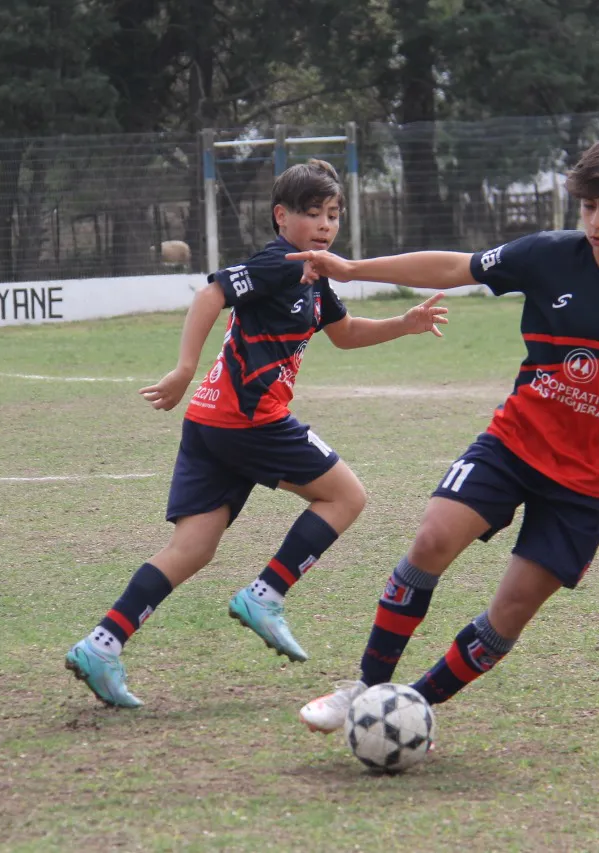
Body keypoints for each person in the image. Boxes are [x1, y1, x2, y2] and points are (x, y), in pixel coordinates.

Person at [289, 135, 599, 731]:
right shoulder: (549, 255)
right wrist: (353, 269)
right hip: (515, 442)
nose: (596, 222)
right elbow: (456, 267)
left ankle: (404, 711)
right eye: (588, 207)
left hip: (593, 479)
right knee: (431, 541)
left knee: (510, 613)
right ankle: (365, 687)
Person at [64, 159, 449, 707]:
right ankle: (265, 595)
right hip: (248, 421)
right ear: (281, 216)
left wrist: (402, 325)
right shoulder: (282, 264)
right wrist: (182, 368)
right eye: (311, 213)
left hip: (213, 424)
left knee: (192, 548)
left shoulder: (317, 280)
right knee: (346, 496)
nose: (324, 225)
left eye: (333, 215)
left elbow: (343, 334)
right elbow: (211, 293)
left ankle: (102, 645)